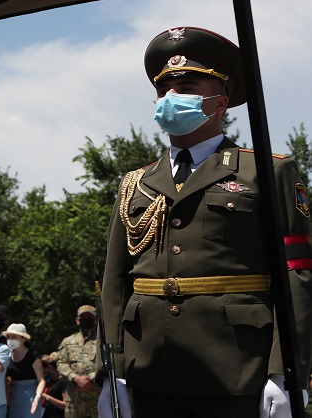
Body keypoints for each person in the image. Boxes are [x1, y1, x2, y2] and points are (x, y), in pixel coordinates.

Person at [99, 27, 312, 418]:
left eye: (188, 86)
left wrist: (285, 372)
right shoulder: (137, 183)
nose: (172, 99)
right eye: (165, 91)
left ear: (220, 101)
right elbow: (115, 284)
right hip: (148, 369)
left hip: (236, 368)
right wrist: (112, 373)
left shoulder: (267, 171)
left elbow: (296, 277)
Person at [55, 305, 99, 418]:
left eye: (89, 317)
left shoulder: (102, 341)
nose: (86, 320)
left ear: (96, 320)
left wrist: (90, 378)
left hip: (97, 398)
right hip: (74, 400)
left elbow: (106, 363)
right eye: (83, 317)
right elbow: (61, 363)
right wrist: (75, 378)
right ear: (77, 320)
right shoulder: (68, 341)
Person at [4, 323, 45, 417]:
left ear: (23, 339)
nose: (10, 340)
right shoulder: (8, 354)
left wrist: (37, 396)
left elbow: (41, 380)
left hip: (30, 394)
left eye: (14, 337)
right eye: (8, 337)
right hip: (13, 394)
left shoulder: (32, 355)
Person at [40, 353, 66, 418]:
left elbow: (66, 405)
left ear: (49, 368)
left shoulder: (63, 381)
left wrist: (48, 398)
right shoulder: (49, 380)